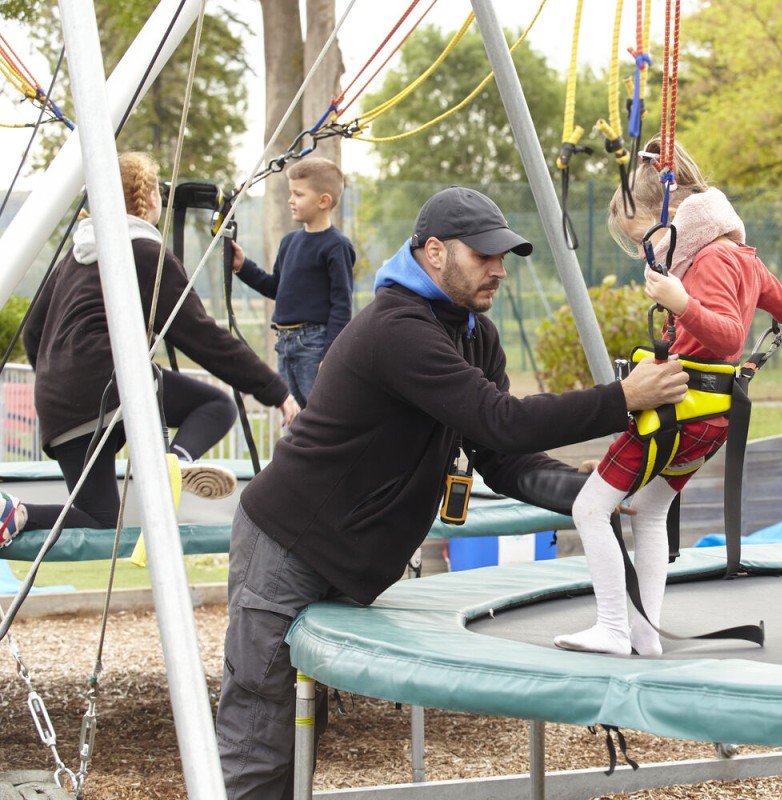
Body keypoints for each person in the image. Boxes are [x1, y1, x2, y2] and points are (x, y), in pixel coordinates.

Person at [215, 185, 689, 799]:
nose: (498, 270)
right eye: (483, 255)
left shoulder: (474, 335)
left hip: (342, 554)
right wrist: (621, 398)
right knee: (260, 733)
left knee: (300, 727)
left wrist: (595, 491)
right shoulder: (397, 327)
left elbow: (503, 458)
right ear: (434, 252)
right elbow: (501, 420)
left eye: (502, 257)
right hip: (287, 544)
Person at [553, 137, 782, 657]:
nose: (646, 252)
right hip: (708, 419)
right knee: (649, 510)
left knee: (589, 508)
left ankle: (613, 627)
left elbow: (727, 335)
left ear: (673, 215)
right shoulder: (742, 257)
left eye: (645, 238)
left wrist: (681, 302)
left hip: (681, 411)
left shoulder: (712, 259)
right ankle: (645, 635)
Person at [0, 152, 300, 548]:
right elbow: (201, 337)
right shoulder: (144, 252)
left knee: (99, 520)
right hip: (109, 383)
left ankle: (14, 513)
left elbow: (33, 332)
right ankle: (175, 461)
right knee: (216, 406)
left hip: (59, 403)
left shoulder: (75, 255)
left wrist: (62, 379)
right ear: (149, 199)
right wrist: (276, 391)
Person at [230, 156, 356, 408]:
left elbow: (341, 305)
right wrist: (243, 266)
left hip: (314, 345)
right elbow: (276, 287)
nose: (290, 200)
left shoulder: (336, 246)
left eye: (298, 194)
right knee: (293, 415)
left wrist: (330, 354)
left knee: (319, 414)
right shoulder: (289, 242)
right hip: (285, 343)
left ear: (323, 201)